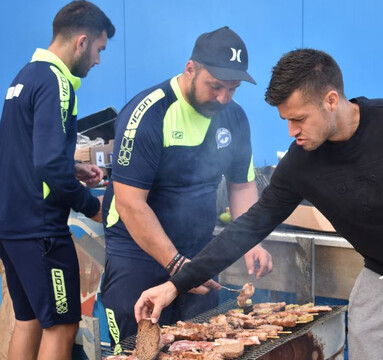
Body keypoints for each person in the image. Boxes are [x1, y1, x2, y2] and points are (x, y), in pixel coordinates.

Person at [134, 48, 383, 359]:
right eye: (286, 121)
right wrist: (175, 285)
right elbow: (249, 226)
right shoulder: (300, 162)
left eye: (299, 119)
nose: (292, 131)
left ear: (331, 101)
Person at [100, 26, 273, 352]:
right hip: (138, 259)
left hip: (198, 257)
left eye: (233, 89)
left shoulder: (234, 118)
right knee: (137, 352)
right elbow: (130, 204)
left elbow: (242, 186)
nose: (223, 97)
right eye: (215, 86)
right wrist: (178, 267)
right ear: (190, 69)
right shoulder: (150, 113)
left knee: (203, 349)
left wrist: (253, 243)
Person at [0, 1, 115, 359]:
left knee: (30, 320)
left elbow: (24, 153)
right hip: (42, 231)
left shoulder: (24, 76)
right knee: (62, 325)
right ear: (82, 41)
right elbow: (48, 163)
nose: (98, 60)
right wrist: (88, 204)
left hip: (12, 225)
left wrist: (73, 167)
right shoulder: (57, 82)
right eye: (99, 49)